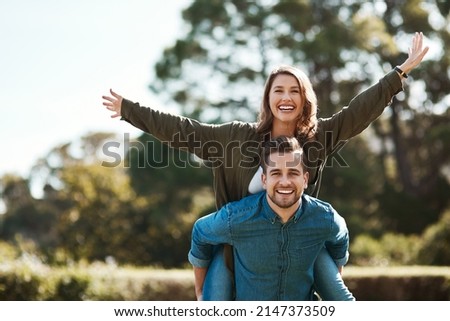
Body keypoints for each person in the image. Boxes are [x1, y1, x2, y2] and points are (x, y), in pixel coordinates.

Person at [102, 32, 429, 300]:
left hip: (299, 243)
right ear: (268, 98)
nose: (286, 97)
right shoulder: (234, 138)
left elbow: (359, 112)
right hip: (236, 248)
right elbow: (182, 131)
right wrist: (130, 110)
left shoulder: (319, 139)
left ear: (305, 99)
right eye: (278, 90)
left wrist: (400, 73)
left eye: (294, 91)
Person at [188, 136, 349, 300]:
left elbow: (340, 238)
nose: (285, 182)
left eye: (293, 173)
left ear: (305, 179)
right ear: (264, 180)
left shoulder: (325, 219)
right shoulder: (236, 219)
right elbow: (200, 232)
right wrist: (200, 290)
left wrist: (332, 282)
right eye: (276, 173)